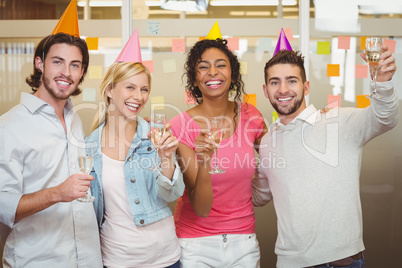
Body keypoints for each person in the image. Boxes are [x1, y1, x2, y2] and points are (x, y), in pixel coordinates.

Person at [254, 48, 399, 268]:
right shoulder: (267, 142)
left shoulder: (339, 121)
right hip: (290, 262)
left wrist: (383, 84)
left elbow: (385, 118)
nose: (283, 89)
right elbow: (259, 196)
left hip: (341, 263)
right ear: (265, 90)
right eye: (275, 82)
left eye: (291, 81)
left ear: (306, 86)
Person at [0, 32, 102, 267]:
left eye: (74, 65)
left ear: (82, 72)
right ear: (39, 64)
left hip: (87, 258)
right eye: (57, 62)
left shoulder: (73, 118)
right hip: (39, 260)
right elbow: (3, 205)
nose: (66, 72)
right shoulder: (9, 126)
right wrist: (57, 193)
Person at [169, 38, 267, 267]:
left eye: (221, 65)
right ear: (195, 78)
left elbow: (276, 159)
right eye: (203, 67)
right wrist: (205, 161)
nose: (213, 72)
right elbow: (201, 208)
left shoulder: (251, 115)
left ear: (233, 75)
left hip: (244, 242)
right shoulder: (180, 126)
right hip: (195, 246)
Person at [86, 59, 185, 267]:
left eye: (144, 89)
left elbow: (172, 194)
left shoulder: (155, 137)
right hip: (117, 259)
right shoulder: (88, 148)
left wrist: (167, 158)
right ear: (110, 90)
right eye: (130, 87)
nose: (139, 97)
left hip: (165, 257)